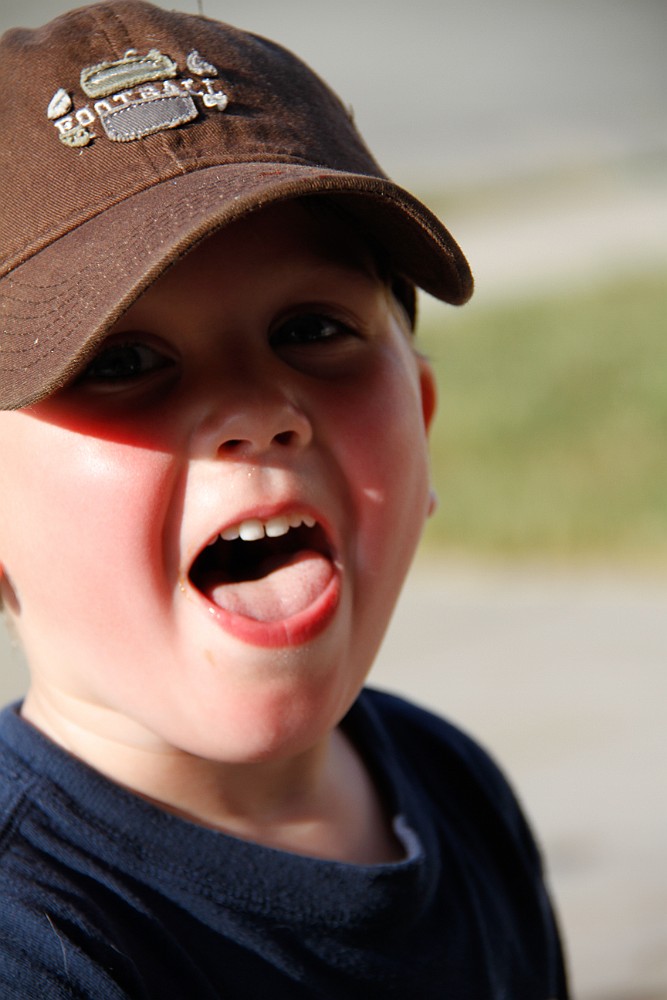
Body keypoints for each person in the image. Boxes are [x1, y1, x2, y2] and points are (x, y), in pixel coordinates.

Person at [0, 2, 568, 996]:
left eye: (311, 329)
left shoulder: (449, 778)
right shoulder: (34, 946)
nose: (257, 410)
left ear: (422, 421)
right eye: (122, 361)